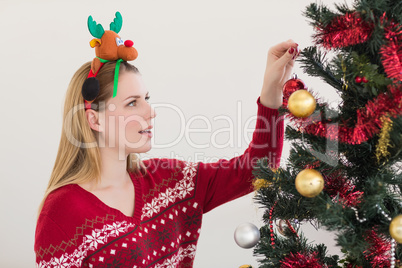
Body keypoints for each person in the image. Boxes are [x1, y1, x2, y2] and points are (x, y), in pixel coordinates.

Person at [34, 12, 299, 268]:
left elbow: (256, 169)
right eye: (132, 103)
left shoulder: (169, 181)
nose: (151, 112)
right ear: (95, 120)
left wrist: (271, 90)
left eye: (146, 99)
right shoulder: (61, 213)